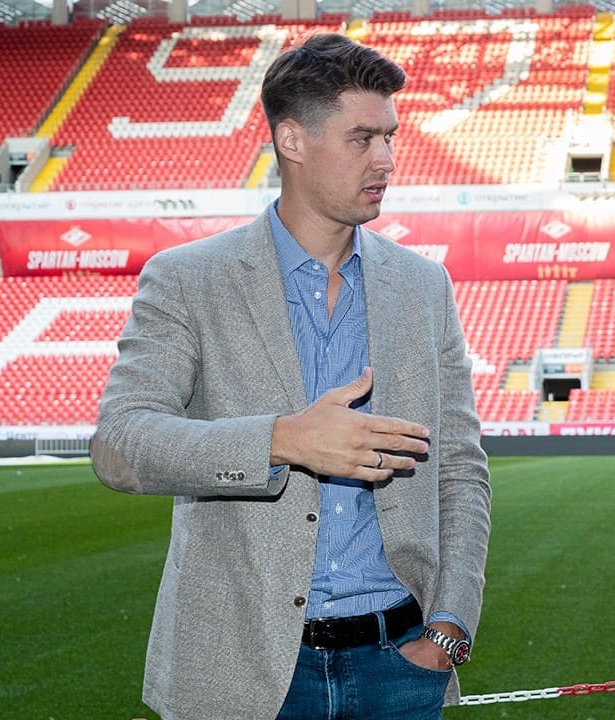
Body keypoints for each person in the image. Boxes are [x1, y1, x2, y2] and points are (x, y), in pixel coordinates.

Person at [91, 33, 491, 720]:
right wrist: (281, 440)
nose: (386, 159)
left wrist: (450, 624)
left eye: (390, 137)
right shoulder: (189, 279)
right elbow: (121, 444)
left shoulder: (423, 286)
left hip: (400, 663)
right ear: (292, 141)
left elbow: (459, 466)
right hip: (239, 665)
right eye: (362, 139)